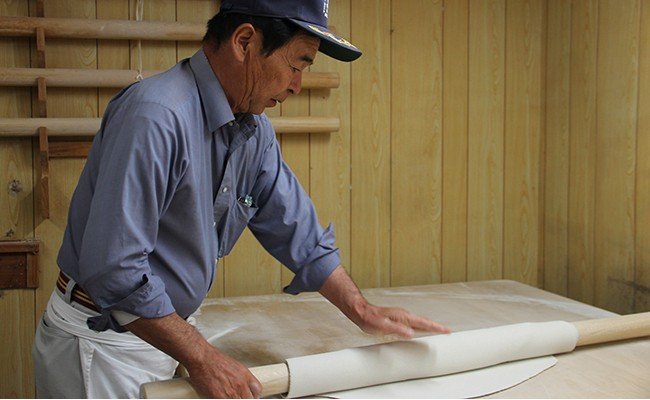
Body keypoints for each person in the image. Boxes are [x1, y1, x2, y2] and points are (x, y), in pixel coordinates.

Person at [32, 0, 450, 398]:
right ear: (244, 41)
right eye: (296, 65)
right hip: (105, 344)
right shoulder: (156, 116)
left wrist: (361, 309)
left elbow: (295, 229)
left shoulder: (252, 129)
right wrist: (202, 357)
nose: (297, 85)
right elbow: (114, 268)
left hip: (165, 335)